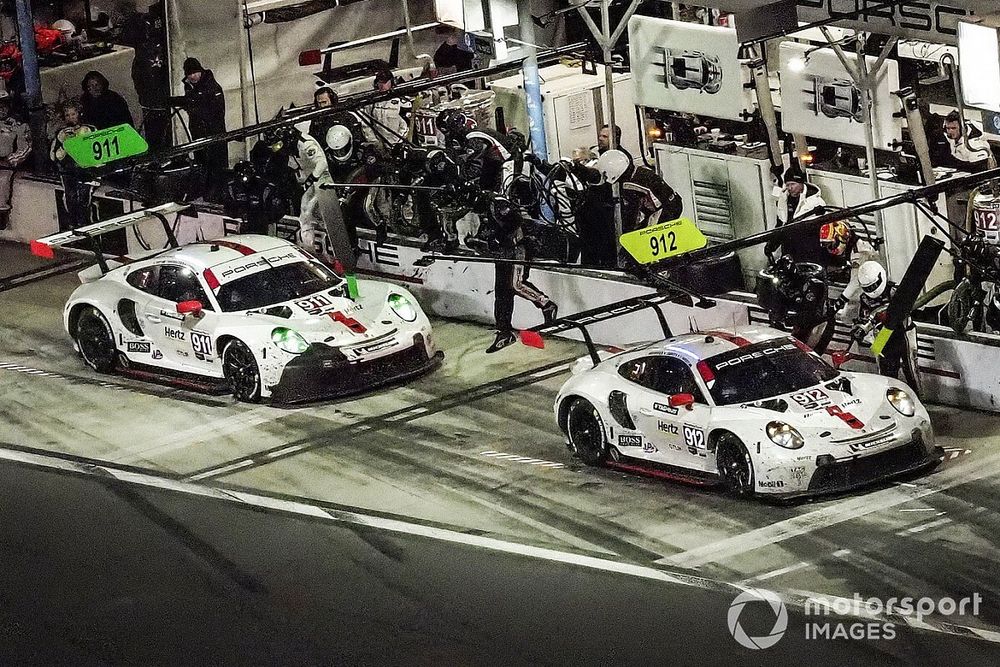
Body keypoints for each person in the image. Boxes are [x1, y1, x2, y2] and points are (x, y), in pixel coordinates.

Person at [484, 197, 558, 353]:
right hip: (504, 251)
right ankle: (504, 331)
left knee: (516, 284)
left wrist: (497, 237)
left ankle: (546, 304)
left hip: (518, 249)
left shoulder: (497, 203)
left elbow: (515, 221)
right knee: (502, 291)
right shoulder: (487, 207)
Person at [843, 260, 921, 393]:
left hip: (903, 331)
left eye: (874, 286)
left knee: (911, 369)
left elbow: (908, 308)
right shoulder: (864, 298)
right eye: (868, 288)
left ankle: (920, 399)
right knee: (885, 375)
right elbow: (864, 318)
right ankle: (889, 402)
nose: (872, 290)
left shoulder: (895, 291)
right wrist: (859, 329)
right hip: (881, 334)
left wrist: (887, 313)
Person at [119, 0, 170, 150]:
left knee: (163, 128)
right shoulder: (144, 53)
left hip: (161, 97)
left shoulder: (161, 47)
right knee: (155, 129)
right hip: (151, 99)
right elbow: (138, 76)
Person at [179, 57, 227, 199]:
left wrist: (195, 108)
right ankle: (203, 189)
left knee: (215, 164)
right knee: (201, 162)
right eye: (190, 74)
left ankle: (215, 192)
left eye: (195, 73)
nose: (193, 76)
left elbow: (217, 112)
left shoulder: (212, 87)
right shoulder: (189, 86)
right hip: (198, 131)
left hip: (213, 132)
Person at [764, 167, 828, 265]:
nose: (790, 188)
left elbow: (824, 231)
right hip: (789, 251)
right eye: (787, 184)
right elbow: (781, 224)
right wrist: (773, 243)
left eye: (793, 184)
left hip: (810, 253)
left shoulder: (816, 202)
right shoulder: (783, 199)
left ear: (801, 183)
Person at [50, 101, 96, 229]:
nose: (71, 117)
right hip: (68, 170)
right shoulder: (62, 133)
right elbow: (55, 156)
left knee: (84, 197)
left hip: (86, 170)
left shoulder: (89, 129)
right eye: (67, 115)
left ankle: (84, 224)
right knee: (70, 196)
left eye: (73, 114)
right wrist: (66, 143)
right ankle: (73, 223)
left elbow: (94, 149)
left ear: (79, 114)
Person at [0, 93, 28, 228]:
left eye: (3, 105)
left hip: (5, 165)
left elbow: (25, 148)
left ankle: (1, 216)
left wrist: (9, 160)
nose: (1, 109)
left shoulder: (18, 125)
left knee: (3, 180)